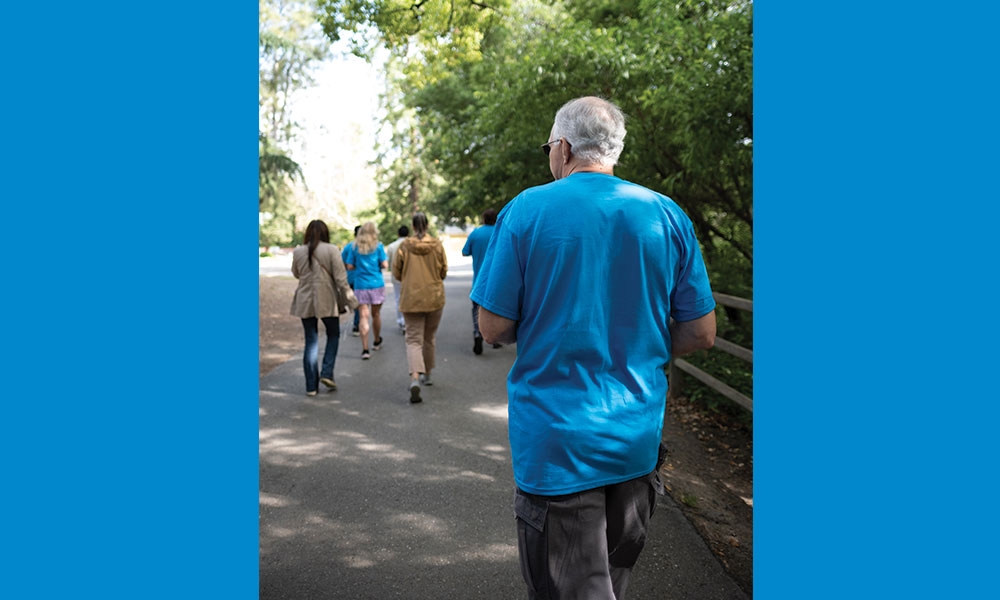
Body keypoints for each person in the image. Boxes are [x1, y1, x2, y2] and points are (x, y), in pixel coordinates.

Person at [470, 96, 717, 599]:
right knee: (609, 583)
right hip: (635, 444)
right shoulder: (665, 214)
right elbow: (701, 332)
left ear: (561, 147)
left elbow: (493, 327)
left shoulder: (527, 210)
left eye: (547, 147)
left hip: (559, 447)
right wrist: (637, 342)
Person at [289, 220, 357, 396]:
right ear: (325, 233)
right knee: (333, 334)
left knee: (310, 341)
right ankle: (327, 372)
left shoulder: (298, 251)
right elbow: (341, 280)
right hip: (327, 298)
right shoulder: (332, 250)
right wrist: (352, 302)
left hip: (305, 299)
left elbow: (296, 273)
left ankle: (311, 386)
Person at [392, 212, 448, 404]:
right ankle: (428, 374)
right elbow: (443, 271)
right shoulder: (437, 245)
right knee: (429, 338)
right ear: (427, 224)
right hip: (434, 297)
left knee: (414, 339)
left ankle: (415, 377)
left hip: (411, 298)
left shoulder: (404, 246)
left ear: (414, 226)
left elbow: (396, 272)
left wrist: (409, 280)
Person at [343, 221, 388, 360]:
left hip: (361, 284)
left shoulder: (354, 247)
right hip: (376, 284)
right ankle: (376, 341)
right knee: (376, 314)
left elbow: (349, 265)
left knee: (363, 316)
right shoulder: (378, 246)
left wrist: (359, 267)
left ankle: (365, 349)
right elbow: (385, 264)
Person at [461, 208, 499, 355]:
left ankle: (477, 332)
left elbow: (465, 252)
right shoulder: (500, 232)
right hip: (497, 281)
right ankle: (494, 338)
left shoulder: (476, 233)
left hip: (479, 281)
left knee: (477, 309)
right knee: (495, 309)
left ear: (483, 219)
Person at [384, 224, 410, 334]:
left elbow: (388, 264)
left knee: (398, 298)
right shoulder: (411, 244)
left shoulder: (391, 246)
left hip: (396, 276)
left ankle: (401, 321)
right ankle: (409, 321)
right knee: (409, 298)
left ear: (398, 234)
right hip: (410, 276)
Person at [343, 225, 362, 336]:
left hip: (350, 277)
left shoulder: (348, 247)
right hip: (360, 278)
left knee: (356, 301)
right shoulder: (366, 247)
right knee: (360, 302)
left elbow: (342, 262)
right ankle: (357, 323)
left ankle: (357, 322)